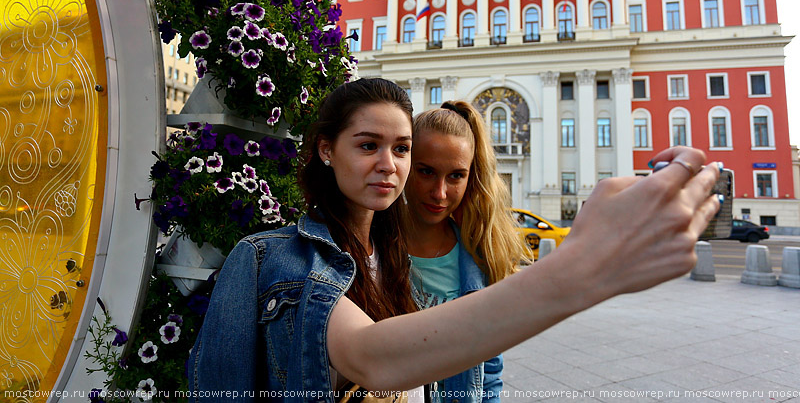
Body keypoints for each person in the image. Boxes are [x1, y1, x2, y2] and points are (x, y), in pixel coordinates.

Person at [189, 78, 722, 402]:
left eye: (400, 149)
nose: (387, 165)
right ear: (326, 150)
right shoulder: (272, 257)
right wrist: (585, 269)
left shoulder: (397, 257)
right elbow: (370, 356)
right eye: (368, 145)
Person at [404, 101, 529, 402]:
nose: (440, 192)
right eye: (426, 171)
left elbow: (489, 374)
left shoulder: (480, 258)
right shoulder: (369, 249)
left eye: (456, 176)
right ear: (405, 164)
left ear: (471, 177)